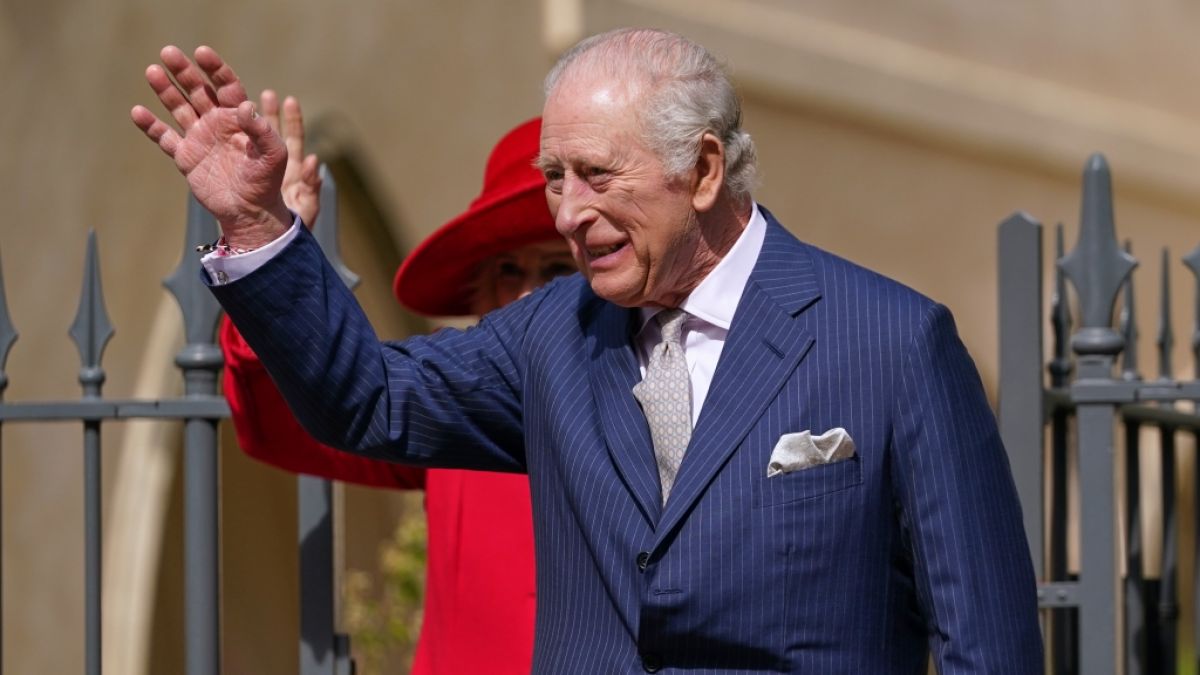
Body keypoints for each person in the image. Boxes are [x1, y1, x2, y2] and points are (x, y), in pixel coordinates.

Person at [133, 28, 1043, 673]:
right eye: (554, 179)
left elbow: (987, 645)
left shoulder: (893, 342)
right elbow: (365, 399)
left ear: (704, 169)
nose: (568, 213)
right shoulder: (550, 334)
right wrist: (257, 228)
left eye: (597, 176)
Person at [219, 104, 570, 673]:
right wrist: (267, 251)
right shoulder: (455, 405)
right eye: (510, 271)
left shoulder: (675, 393)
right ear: (479, 297)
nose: (530, 297)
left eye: (559, 271)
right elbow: (284, 424)